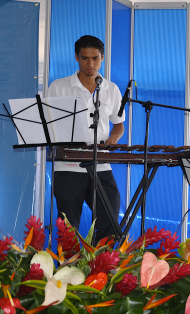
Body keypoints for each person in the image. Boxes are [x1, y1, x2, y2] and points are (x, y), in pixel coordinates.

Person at [47, 35, 125, 241]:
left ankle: (100, 268)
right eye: (84, 58)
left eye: (95, 58)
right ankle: (69, 271)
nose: (90, 64)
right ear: (76, 57)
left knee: (110, 220)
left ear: (102, 58)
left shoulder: (112, 89)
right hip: (68, 167)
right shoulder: (58, 87)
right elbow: (48, 123)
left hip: (101, 165)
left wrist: (113, 139)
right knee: (68, 229)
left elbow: (118, 124)